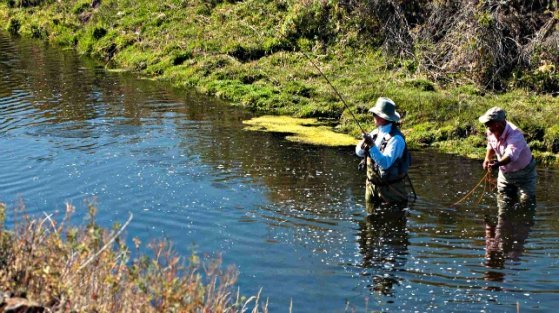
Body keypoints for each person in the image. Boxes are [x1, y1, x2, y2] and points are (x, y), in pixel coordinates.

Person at [355, 97, 410, 205]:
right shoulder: (375, 132)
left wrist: (371, 145)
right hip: (371, 188)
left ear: (382, 117)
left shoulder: (396, 139)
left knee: (393, 219)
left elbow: (385, 164)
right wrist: (363, 144)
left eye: (375, 114)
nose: (373, 116)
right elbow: (359, 153)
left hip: (392, 193)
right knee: (370, 220)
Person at [479, 107, 537, 203]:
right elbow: (491, 144)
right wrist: (487, 159)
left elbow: (511, 155)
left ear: (497, 124)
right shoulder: (490, 130)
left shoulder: (515, 134)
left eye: (488, 124)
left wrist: (497, 164)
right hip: (505, 174)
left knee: (527, 202)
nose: (486, 126)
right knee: (503, 201)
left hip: (525, 173)